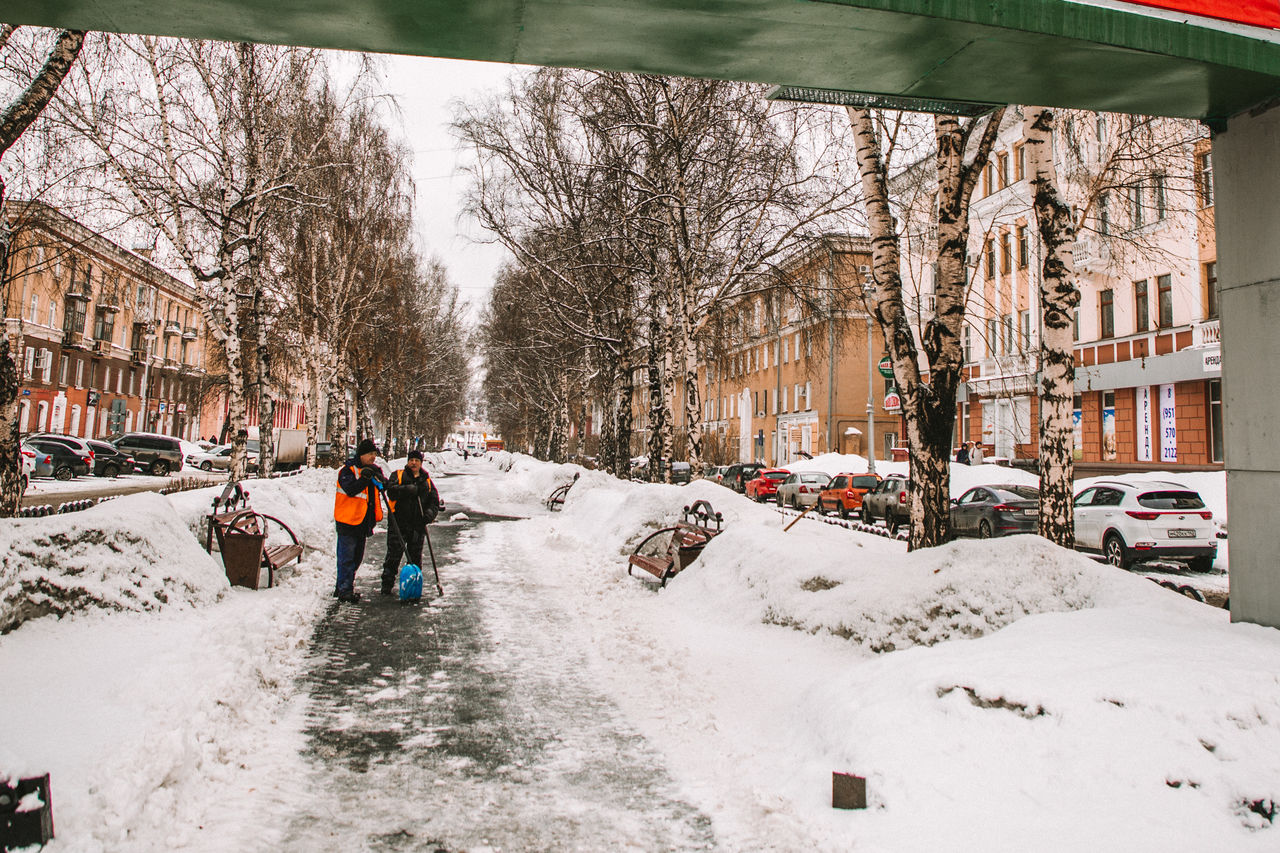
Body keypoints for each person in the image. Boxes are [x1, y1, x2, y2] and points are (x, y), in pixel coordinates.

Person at [380, 449, 442, 595]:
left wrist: (429, 514)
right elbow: (391, 490)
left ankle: (414, 586)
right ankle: (386, 585)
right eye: (411, 460)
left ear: (421, 463)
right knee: (393, 556)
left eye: (417, 461)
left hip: (417, 525)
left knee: (415, 558)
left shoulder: (426, 480)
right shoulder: (398, 475)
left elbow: (434, 501)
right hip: (398, 524)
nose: (414, 463)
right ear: (408, 461)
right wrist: (407, 489)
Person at [333, 437, 385, 603]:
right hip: (347, 521)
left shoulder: (372, 470)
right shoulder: (347, 471)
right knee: (346, 558)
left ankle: (342, 586)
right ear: (361, 454)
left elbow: (383, 486)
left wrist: (380, 479)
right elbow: (350, 490)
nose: (373, 457)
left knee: (356, 558)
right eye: (370, 454)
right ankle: (344, 590)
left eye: (374, 454)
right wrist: (364, 478)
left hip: (362, 522)